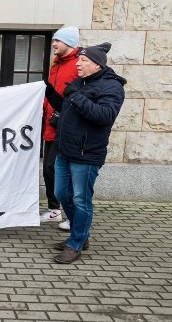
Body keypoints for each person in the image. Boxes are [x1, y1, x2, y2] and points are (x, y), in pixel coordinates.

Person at [44, 42, 126, 264]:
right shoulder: (81, 82)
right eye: (79, 59)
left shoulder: (112, 87)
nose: (78, 63)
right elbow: (66, 107)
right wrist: (50, 92)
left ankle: (76, 242)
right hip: (65, 150)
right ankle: (81, 233)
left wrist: (76, 96)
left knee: (81, 199)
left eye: (83, 60)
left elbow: (105, 115)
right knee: (61, 194)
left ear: (97, 65)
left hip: (86, 154)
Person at [41, 26, 81, 228]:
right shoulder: (56, 65)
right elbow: (52, 93)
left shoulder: (78, 65)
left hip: (65, 127)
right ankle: (54, 210)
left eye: (57, 41)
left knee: (62, 171)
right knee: (48, 169)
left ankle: (72, 215)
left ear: (69, 43)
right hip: (50, 124)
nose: (53, 44)